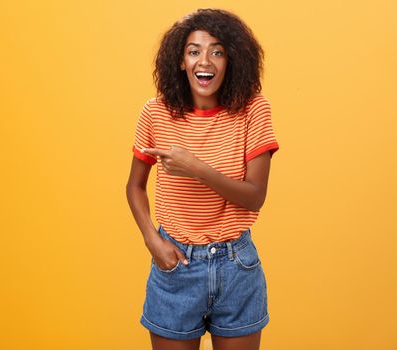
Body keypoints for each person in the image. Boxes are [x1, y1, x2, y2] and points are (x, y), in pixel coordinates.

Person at [126, 8, 279, 350]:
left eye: (217, 51)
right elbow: (134, 186)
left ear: (231, 60)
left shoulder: (254, 110)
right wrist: (152, 240)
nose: (204, 61)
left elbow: (254, 197)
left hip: (236, 266)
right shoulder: (155, 113)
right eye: (194, 51)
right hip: (175, 264)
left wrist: (195, 167)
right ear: (181, 61)